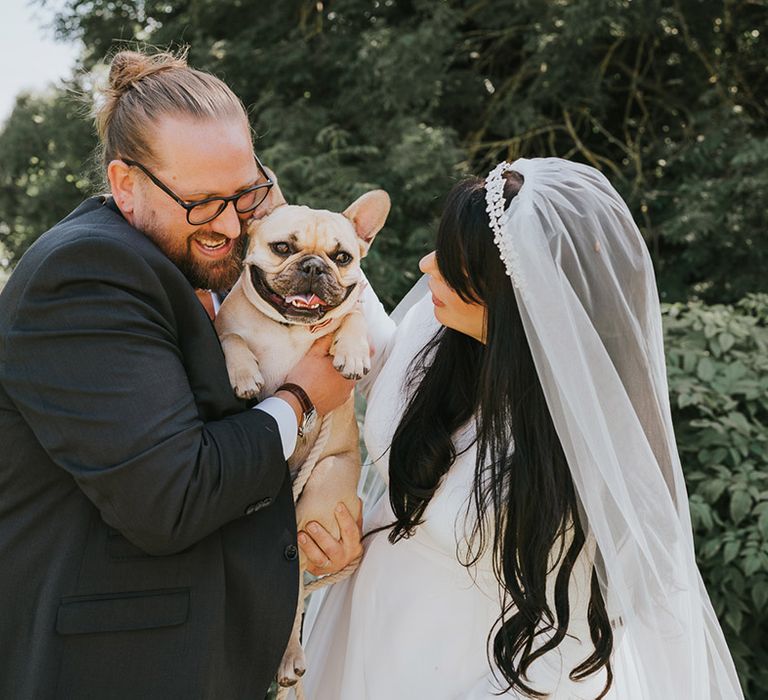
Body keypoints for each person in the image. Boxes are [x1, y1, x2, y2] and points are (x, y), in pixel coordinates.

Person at [303, 158, 744, 698]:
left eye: (453, 263)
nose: (425, 266)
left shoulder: (582, 447)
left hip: (485, 674)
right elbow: (377, 361)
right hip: (363, 636)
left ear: (515, 294)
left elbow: (578, 640)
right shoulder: (438, 333)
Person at [0, 49, 362, 699]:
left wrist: (309, 526)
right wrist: (304, 397)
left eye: (245, 194)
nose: (230, 223)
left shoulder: (194, 261)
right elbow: (172, 495)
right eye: (202, 202)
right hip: (116, 674)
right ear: (126, 184)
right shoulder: (82, 275)